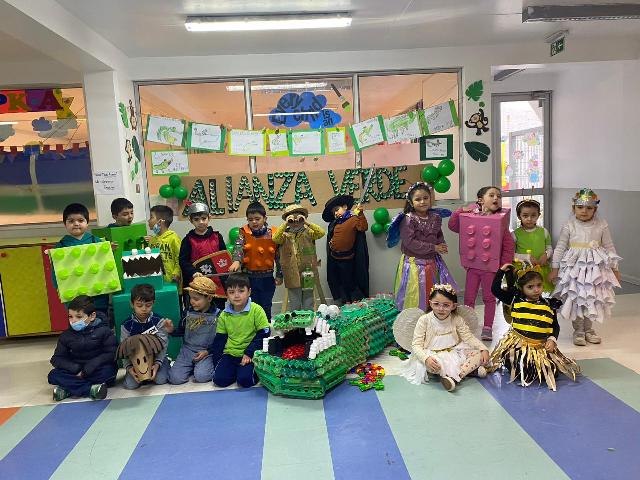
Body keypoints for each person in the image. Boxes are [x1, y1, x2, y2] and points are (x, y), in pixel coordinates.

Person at [490, 262, 580, 391]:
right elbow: (495, 290)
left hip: (540, 348)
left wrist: (552, 339)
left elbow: (555, 325)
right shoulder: (515, 300)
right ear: (522, 288)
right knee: (521, 369)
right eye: (530, 287)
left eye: (539, 285)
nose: (536, 290)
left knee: (552, 372)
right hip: (520, 347)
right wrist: (502, 271)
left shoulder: (549, 304)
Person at [548, 188, 621, 346]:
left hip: (595, 269)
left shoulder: (601, 225)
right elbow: (560, 247)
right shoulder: (569, 225)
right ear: (573, 208)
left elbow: (609, 246)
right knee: (577, 299)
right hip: (575, 269)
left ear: (595, 209)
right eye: (580, 207)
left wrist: (615, 269)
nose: (584, 211)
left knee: (592, 298)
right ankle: (578, 330)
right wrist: (555, 268)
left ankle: (589, 329)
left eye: (589, 208)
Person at [448, 186, 515, 341]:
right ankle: (467, 324)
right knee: (469, 297)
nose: (496, 198)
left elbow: (508, 246)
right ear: (480, 200)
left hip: (490, 269)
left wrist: (504, 265)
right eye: (491, 195)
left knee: (489, 297)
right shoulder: (470, 216)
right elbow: (453, 226)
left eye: (499, 196)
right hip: (473, 267)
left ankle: (487, 327)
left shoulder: (501, 222)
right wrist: (460, 211)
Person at [400, 284, 489, 392]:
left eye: (446, 305)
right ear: (430, 303)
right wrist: (426, 359)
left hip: (454, 350)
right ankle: (469, 370)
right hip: (432, 354)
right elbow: (416, 345)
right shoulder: (424, 320)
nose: (441, 309)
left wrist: (483, 349)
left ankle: (456, 377)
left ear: (453, 306)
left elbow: (468, 337)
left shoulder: (456, 319)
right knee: (434, 366)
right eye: (436, 304)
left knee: (478, 354)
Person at [388, 182, 457, 311]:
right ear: (411, 202)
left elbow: (438, 233)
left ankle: (432, 313)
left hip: (432, 262)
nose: (422, 202)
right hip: (415, 266)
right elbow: (410, 243)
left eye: (426, 198)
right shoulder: (408, 219)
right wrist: (434, 247)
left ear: (430, 198)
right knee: (416, 295)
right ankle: (417, 315)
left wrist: (441, 244)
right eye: (418, 199)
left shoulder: (435, 217)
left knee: (433, 291)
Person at [48, 295, 117, 401]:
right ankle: (90, 390)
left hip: (97, 369)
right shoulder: (66, 335)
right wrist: (75, 368)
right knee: (53, 375)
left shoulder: (104, 331)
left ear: (92, 316)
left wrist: (91, 366)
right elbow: (56, 358)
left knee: (108, 372)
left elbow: (111, 353)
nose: (73, 321)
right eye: (70, 316)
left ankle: (68, 388)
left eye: (79, 317)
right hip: (76, 371)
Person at [211, 273, 270, 388]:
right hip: (230, 354)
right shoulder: (224, 315)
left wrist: (249, 353)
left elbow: (264, 334)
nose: (236, 295)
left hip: (251, 354)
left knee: (245, 381)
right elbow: (220, 340)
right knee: (219, 380)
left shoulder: (257, 310)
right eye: (231, 292)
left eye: (241, 291)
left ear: (249, 292)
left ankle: (250, 371)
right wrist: (217, 361)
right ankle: (237, 371)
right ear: (227, 294)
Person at [228, 201, 282, 318]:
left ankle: (265, 326)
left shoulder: (273, 234)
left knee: (266, 304)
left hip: (267, 277)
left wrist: (279, 274)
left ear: (265, 218)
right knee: (250, 305)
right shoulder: (243, 233)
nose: (254, 222)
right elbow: (238, 247)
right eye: (250, 219)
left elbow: (279, 256)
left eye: (257, 219)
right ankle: (251, 326)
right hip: (249, 277)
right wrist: (236, 260)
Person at [53, 203, 109, 316]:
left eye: (80, 220)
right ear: (65, 224)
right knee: (78, 320)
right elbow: (55, 271)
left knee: (100, 320)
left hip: (98, 296)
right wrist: (58, 287)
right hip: (74, 298)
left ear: (87, 222)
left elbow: (106, 264)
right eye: (71, 221)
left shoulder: (96, 241)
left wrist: (109, 251)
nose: (76, 224)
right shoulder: (61, 246)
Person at [167, 277, 220, 384]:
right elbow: (181, 331)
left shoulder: (218, 315)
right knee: (175, 379)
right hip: (187, 350)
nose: (192, 302)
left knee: (202, 377)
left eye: (196, 299)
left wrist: (208, 351)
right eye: (190, 298)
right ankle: (192, 367)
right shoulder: (187, 312)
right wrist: (172, 330)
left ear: (209, 298)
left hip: (207, 352)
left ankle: (200, 367)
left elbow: (220, 340)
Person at [273, 204, 325, 311]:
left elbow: (321, 233)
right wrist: (286, 224)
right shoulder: (284, 235)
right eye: (292, 220)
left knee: (308, 299)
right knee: (295, 301)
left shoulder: (308, 232)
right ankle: (296, 320)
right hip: (292, 272)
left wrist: (306, 223)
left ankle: (308, 319)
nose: (296, 222)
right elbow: (275, 239)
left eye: (299, 219)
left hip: (308, 270)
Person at [120, 284, 172, 389]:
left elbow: (163, 344)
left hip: (156, 358)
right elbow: (124, 349)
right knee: (131, 385)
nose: (144, 309)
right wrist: (129, 368)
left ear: (153, 303)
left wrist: (157, 364)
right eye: (139, 305)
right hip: (136, 361)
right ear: (132, 304)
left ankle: (166, 362)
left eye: (148, 305)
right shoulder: (126, 325)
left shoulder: (158, 321)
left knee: (161, 380)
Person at [179, 202, 227, 308]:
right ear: (191, 220)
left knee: (218, 310)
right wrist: (193, 272)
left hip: (216, 283)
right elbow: (183, 261)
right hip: (196, 283)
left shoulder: (217, 237)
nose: (201, 222)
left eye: (204, 218)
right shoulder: (187, 240)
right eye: (196, 219)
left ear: (209, 217)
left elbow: (224, 258)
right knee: (196, 311)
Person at [323, 194, 369, 306]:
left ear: (345, 207)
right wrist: (331, 243)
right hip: (335, 258)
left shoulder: (353, 219)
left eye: (337, 209)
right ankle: (345, 300)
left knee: (351, 280)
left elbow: (363, 227)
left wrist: (360, 214)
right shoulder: (335, 223)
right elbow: (333, 236)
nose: (335, 213)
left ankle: (355, 300)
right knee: (340, 280)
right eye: (333, 212)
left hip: (349, 258)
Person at [512, 199, 553, 293]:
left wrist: (546, 255)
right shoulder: (514, 234)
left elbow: (549, 248)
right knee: (523, 294)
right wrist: (526, 257)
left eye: (533, 215)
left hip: (541, 269)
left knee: (540, 293)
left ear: (538, 215)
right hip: (522, 271)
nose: (529, 219)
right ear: (519, 216)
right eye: (525, 215)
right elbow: (510, 255)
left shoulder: (544, 232)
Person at [145, 205, 181, 286]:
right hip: (156, 281)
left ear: (160, 221)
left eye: (151, 217)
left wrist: (176, 273)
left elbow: (179, 257)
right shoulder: (152, 240)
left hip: (172, 280)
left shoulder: (173, 237)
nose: (148, 220)